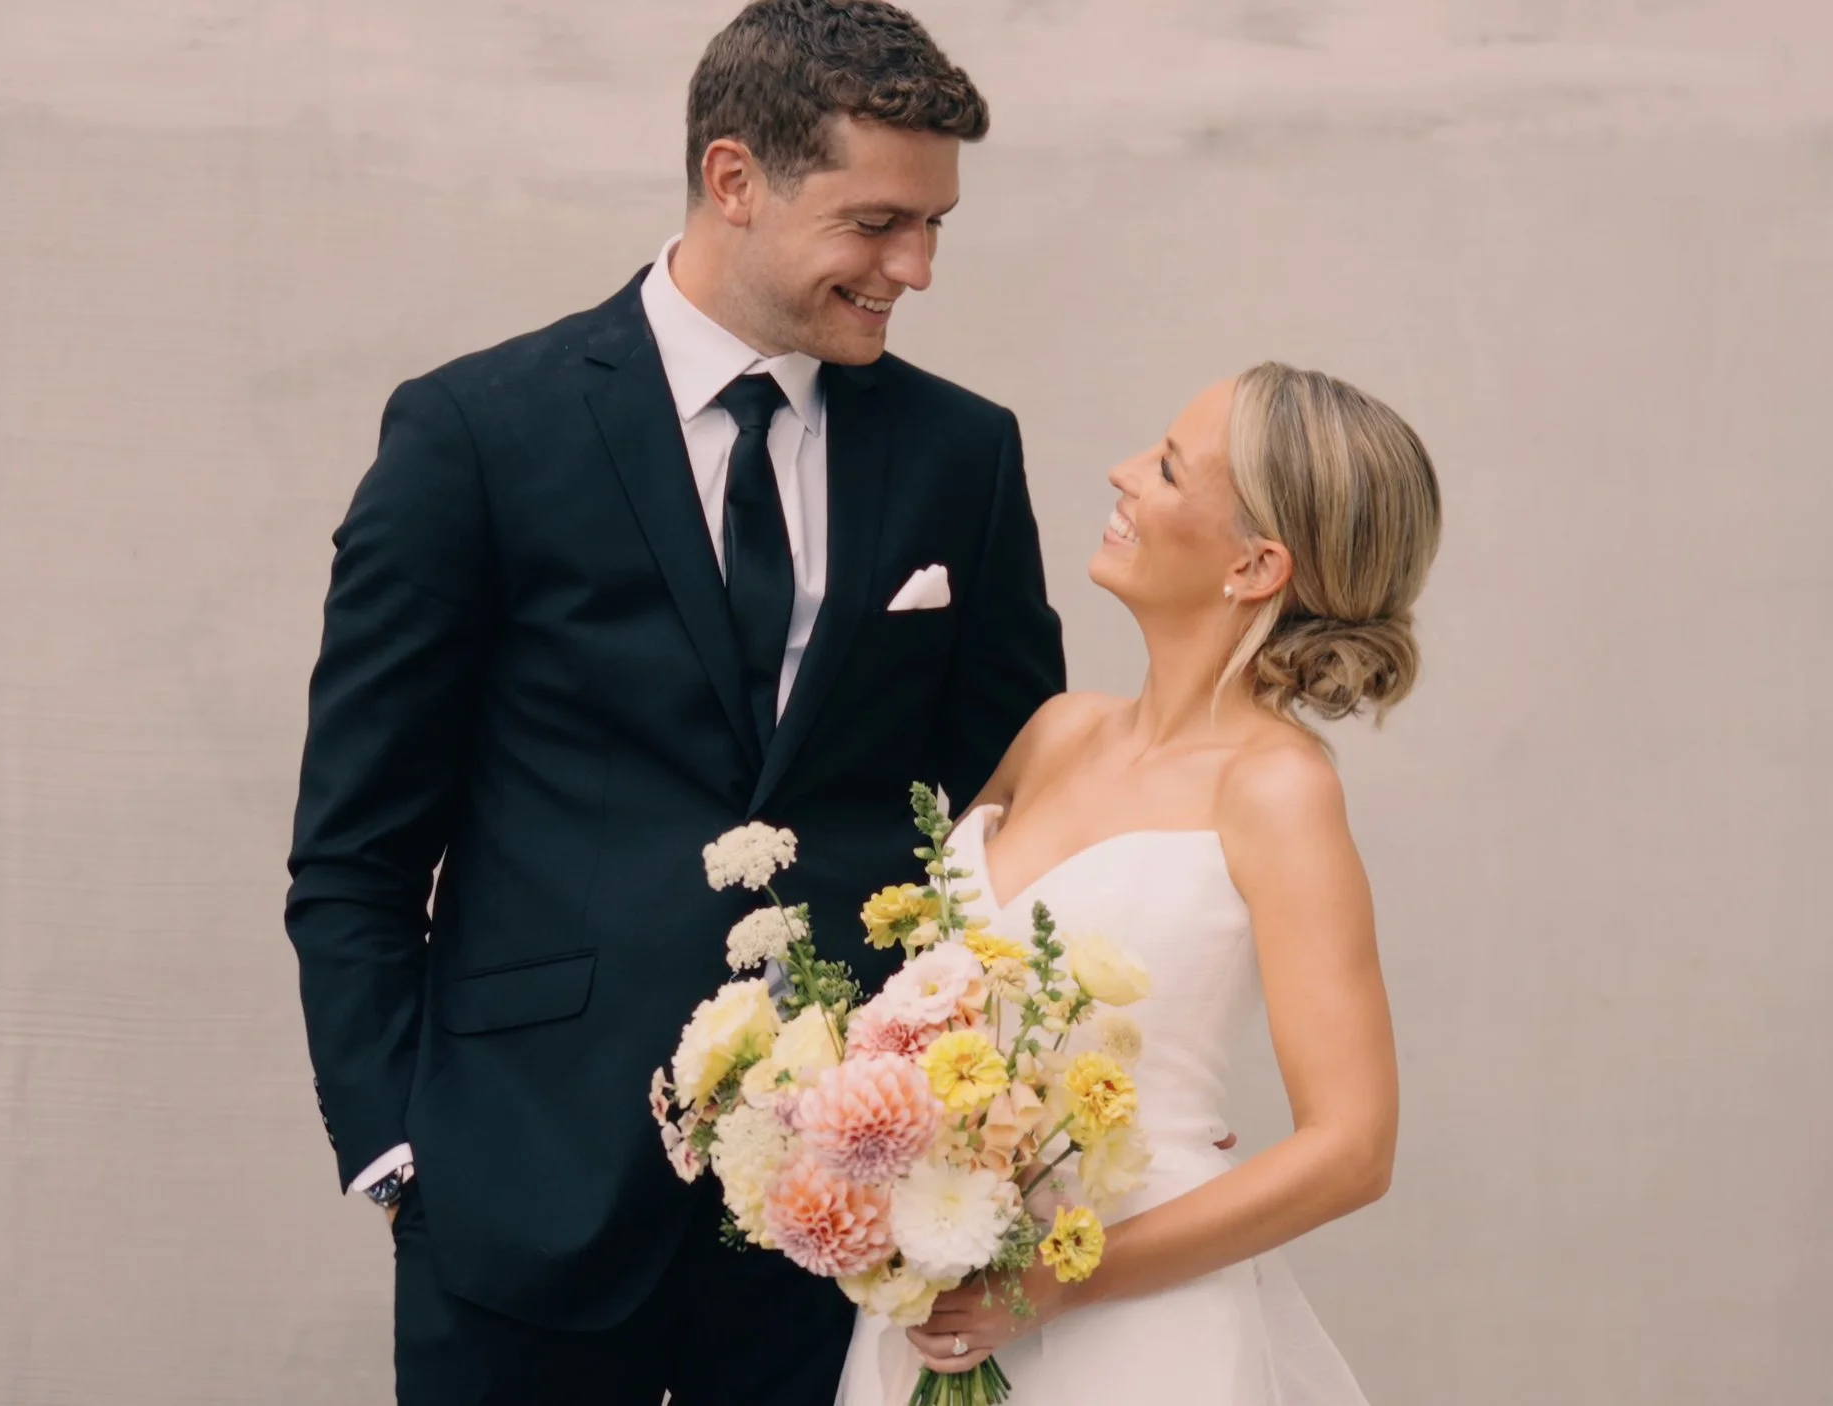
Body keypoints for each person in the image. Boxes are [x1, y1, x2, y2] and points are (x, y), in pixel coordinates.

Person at [280, 3, 1063, 1403]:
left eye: (935, 225)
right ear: (733, 177)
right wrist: (400, 1154)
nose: (916, 268)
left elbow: (1017, 816)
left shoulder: (964, 453)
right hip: (521, 1185)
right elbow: (356, 849)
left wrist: (984, 1130)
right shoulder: (477, 435)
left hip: (847, 1218)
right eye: (879, 222)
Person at [837, 363, 1441, 1404]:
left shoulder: (1276, 789)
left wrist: (1053, 1283)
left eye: (1165, 468)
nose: (1122, 472)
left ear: (1255, 564)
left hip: (1131, 1324)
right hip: (937, 1296)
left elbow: (1354, 1147)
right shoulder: (1055, 731)